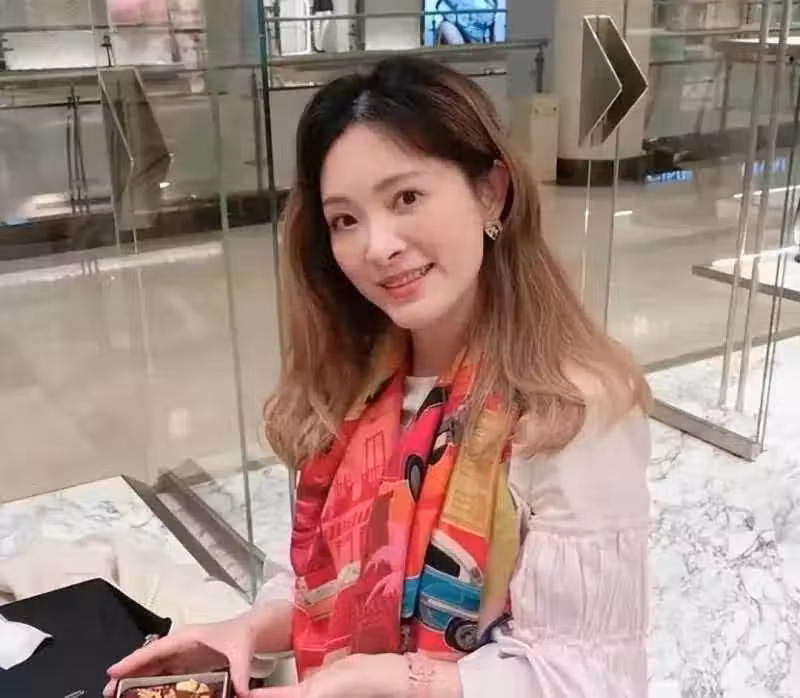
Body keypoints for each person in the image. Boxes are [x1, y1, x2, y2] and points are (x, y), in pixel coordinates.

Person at [104, 56, 652, 698]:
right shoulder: (359, 384)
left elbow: (590, 680)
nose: (377, 246)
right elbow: (324, 580)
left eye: (406, 198)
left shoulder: (572, 408)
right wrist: (248, 628)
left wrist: (389, 681)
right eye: (345, 219)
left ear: (490, 192)